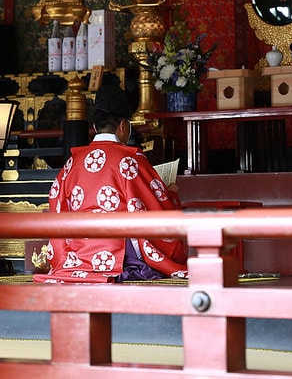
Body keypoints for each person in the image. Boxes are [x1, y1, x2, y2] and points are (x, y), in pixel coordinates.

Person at [33, 84, 188, 283]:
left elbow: (56, 202)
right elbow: (154, 205)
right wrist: (171, 195)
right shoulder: (130, 160)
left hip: (79, 252)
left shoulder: (72, 163)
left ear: (95, 127)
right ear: (124, 126)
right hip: (120, 254)